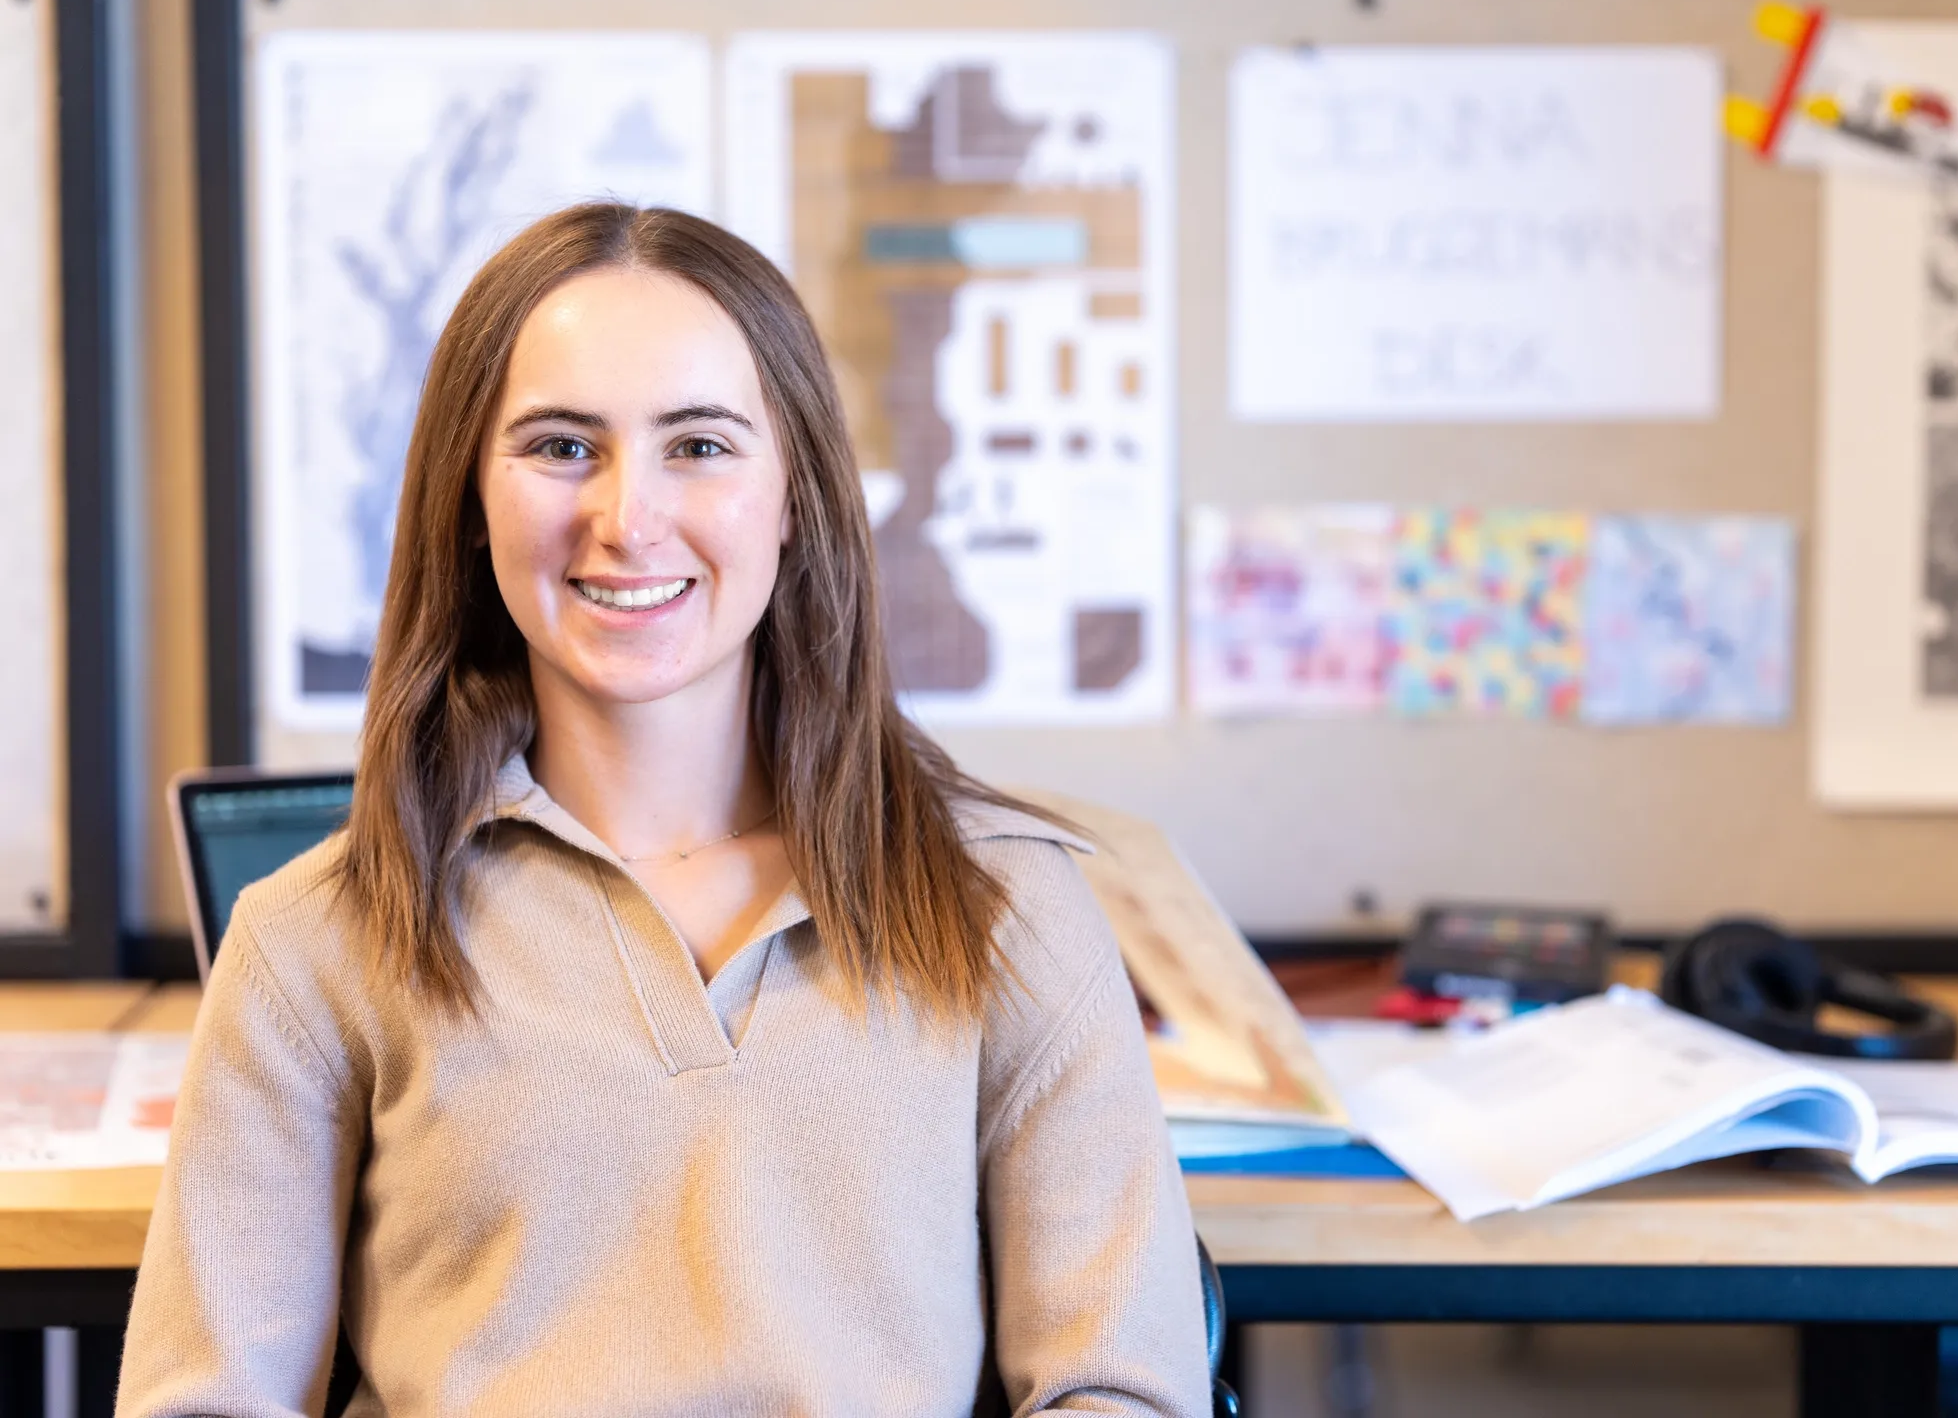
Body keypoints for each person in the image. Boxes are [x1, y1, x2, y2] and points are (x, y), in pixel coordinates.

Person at [116, 203, 1209, 1417]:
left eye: (698, 445)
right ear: (470, 500)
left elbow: (1126, 1391)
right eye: (561, 446)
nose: (628, 519)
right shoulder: (311, 941)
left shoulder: (1009, 907)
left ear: (793, 495)